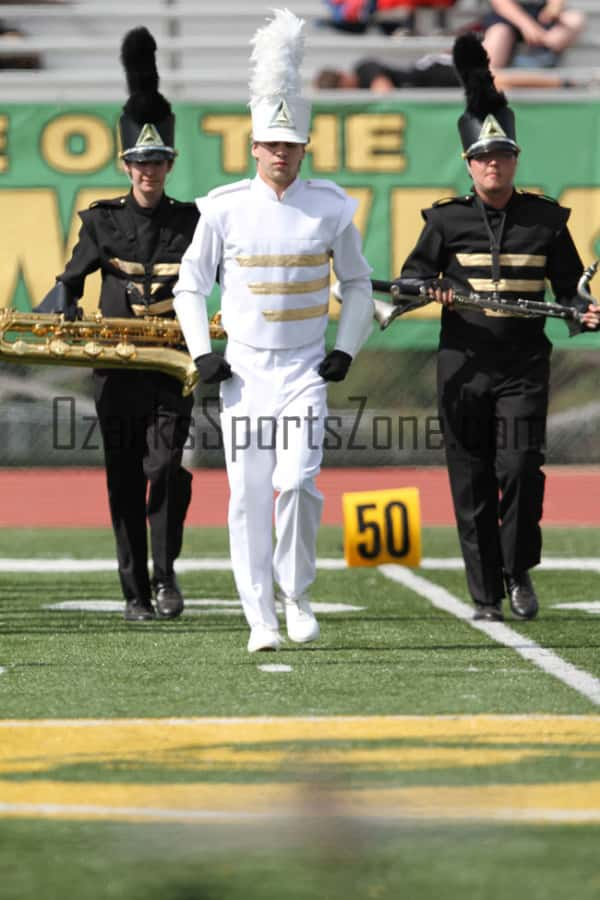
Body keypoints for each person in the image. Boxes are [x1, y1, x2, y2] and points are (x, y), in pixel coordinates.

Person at [173, 9, 373, 653]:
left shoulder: (332, 205)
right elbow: (189, 284)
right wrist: (205, 353)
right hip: (244, 372)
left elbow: (361, 284)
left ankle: (297, 594)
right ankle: (259, 616)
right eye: (271, 145)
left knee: (299, 484)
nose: (281, 155)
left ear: (303, 151)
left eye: (291, 146)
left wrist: (347, 347)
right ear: (254, 148)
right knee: (247, 496)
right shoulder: (222, 207)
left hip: (304, 370)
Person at [395, 33, 600, 622]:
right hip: (462, 363)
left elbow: (569, 292)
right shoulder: (445, 220)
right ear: (469, 162)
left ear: (516, 158)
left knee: (519, 468)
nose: (494, 163)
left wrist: (582, 314)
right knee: (472, 478)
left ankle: (519, 570)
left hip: (523, 366)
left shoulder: (545, 218)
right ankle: (485, 594)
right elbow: (411, 279)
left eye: (503, 154)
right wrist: (424, 290)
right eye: (484, 157)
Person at [35, 28, 199, 622]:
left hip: (172, 365)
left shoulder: (194, 222)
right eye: (139, 161)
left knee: (166, 470)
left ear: (169, 163)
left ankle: (166, 573)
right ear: (126, 164)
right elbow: (70, 276)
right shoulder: (102, 222)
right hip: (117, 367)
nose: (148, 170)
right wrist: (65, 304)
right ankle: (136, 592)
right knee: (125, 478)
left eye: (157, 161)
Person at [314, 54, 583, 92]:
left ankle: (561, 82)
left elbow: (384, 90)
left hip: (434, 73)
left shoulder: (363, 69)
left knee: (497, 81)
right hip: (432, 82)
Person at [482, 0, 585, 70]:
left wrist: (553, 8)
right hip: (506, 18)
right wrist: (527, 26)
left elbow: (555, 6)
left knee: (575, 19)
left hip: (542, 16)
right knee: (498, 33)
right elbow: (501, 4)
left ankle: (542, 59)